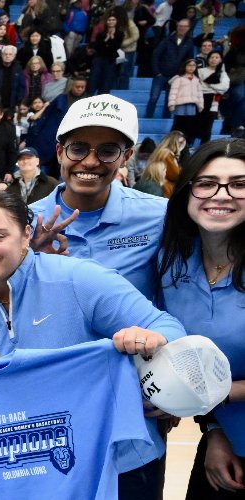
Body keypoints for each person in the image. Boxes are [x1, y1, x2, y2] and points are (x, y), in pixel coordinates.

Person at [0, 188, 183, 500]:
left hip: (115, 465)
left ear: (26, 234)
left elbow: (169, 328)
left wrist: (149, 338)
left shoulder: (78, 279)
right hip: (27, 471)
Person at [156, 140, 245, 498]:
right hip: (227, 446)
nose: (220, 195)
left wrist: (206, 398)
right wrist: (214, 430)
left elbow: (211, 384)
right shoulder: (174, 262)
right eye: (206, 183)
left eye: (239, 184)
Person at [28, 94, 167, 302]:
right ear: (59, 152)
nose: (91, 162)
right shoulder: (24, 222)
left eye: (108, 151)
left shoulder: (159, 215)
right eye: (78, 149)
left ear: (126, 158)